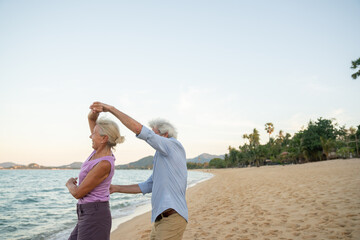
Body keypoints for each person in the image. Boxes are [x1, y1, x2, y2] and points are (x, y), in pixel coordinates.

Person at [90, 101, 188, 240]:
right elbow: (148, 186)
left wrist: (112, 109)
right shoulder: (162, 156)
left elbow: (142, 132)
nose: (152, 139)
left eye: (155, 134)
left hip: (172, 218)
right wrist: (116, 188)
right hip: (160, 220)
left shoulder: (173, 146)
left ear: (165, 134)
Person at [65, 110, 125, 240]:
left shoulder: (104, 164)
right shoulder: (97, 150)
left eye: (93, 134)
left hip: (95, 215)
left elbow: (78, 193)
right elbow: (92, 120)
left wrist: (69, 184)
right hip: (86, 213)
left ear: (104, 138)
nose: (90, 136)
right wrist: (96, 110)